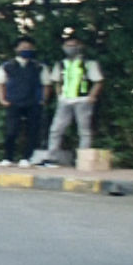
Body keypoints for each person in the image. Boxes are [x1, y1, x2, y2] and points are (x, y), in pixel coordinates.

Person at [35, 29, 104, 166]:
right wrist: (59, 95)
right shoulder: (61, 64)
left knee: (84, 130)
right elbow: (56, 81)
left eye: (73, 45)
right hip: (65, 99)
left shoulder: (88, 64)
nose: (70, 48)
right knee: (56, 129)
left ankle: (83, 159)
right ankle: (51, 157)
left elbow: (98, 81)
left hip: (82, 99)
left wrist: (91, 97)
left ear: (80, 46)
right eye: (68, 45)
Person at [0, 36, 47, 166]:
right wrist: (2, 99)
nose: (26, 50)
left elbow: (46, 84)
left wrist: (43, 100)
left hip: (33, 102)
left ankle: (27, 158)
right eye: (23, 47)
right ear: (16, 49)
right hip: (13, 102)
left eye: (29, 48)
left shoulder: (39, 66)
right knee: (11, 130)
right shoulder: (7, 66)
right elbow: (0, 84)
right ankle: (8, 158)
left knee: (32, 131)